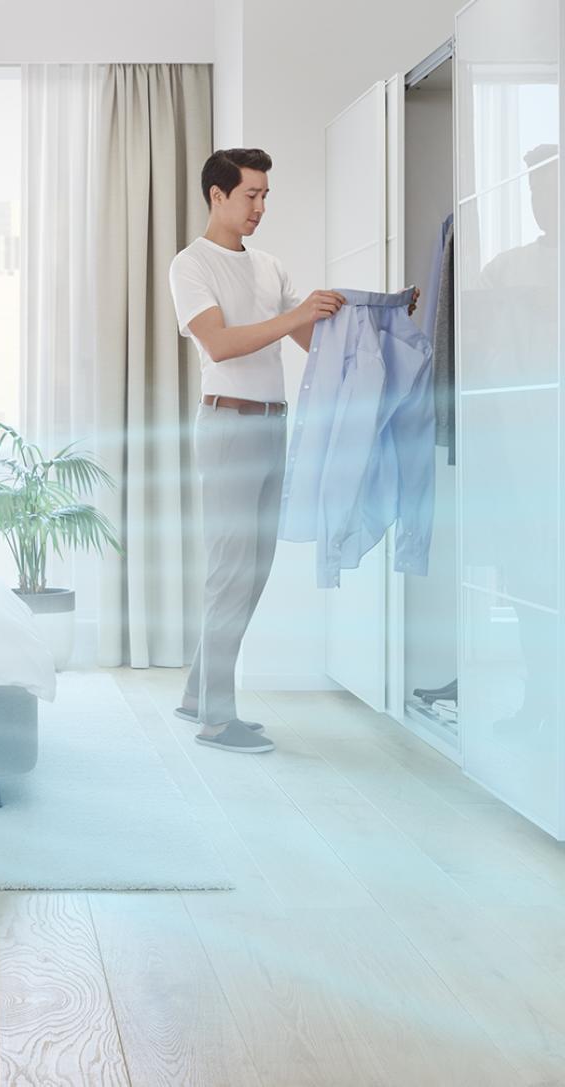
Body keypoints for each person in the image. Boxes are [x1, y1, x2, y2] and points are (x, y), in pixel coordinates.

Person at [168, 147, 411, 754]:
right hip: (226, 428)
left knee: (254, 570)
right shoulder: (190, 265)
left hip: (275, 427)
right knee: (230, 571)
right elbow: (220, 344)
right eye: (250, 194)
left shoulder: (269, 266)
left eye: (266, 195)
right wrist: (294, 315)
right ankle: (216, 719)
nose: (260, 206)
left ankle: (200, 694)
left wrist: (378, 317)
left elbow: (315, 338)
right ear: (217, 196)